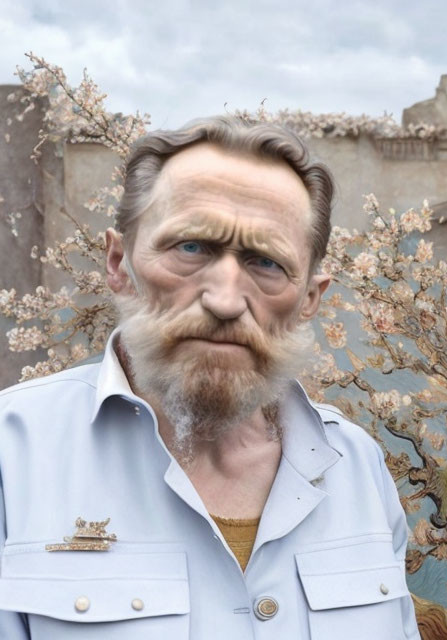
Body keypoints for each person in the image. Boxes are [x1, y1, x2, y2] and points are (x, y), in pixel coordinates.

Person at [0, 116, 421, 639]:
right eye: (191, 248)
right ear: (117, 263)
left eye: (266, 262)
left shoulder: (358, 468)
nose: (224, 300)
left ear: (310, 298)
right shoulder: (11, 457)